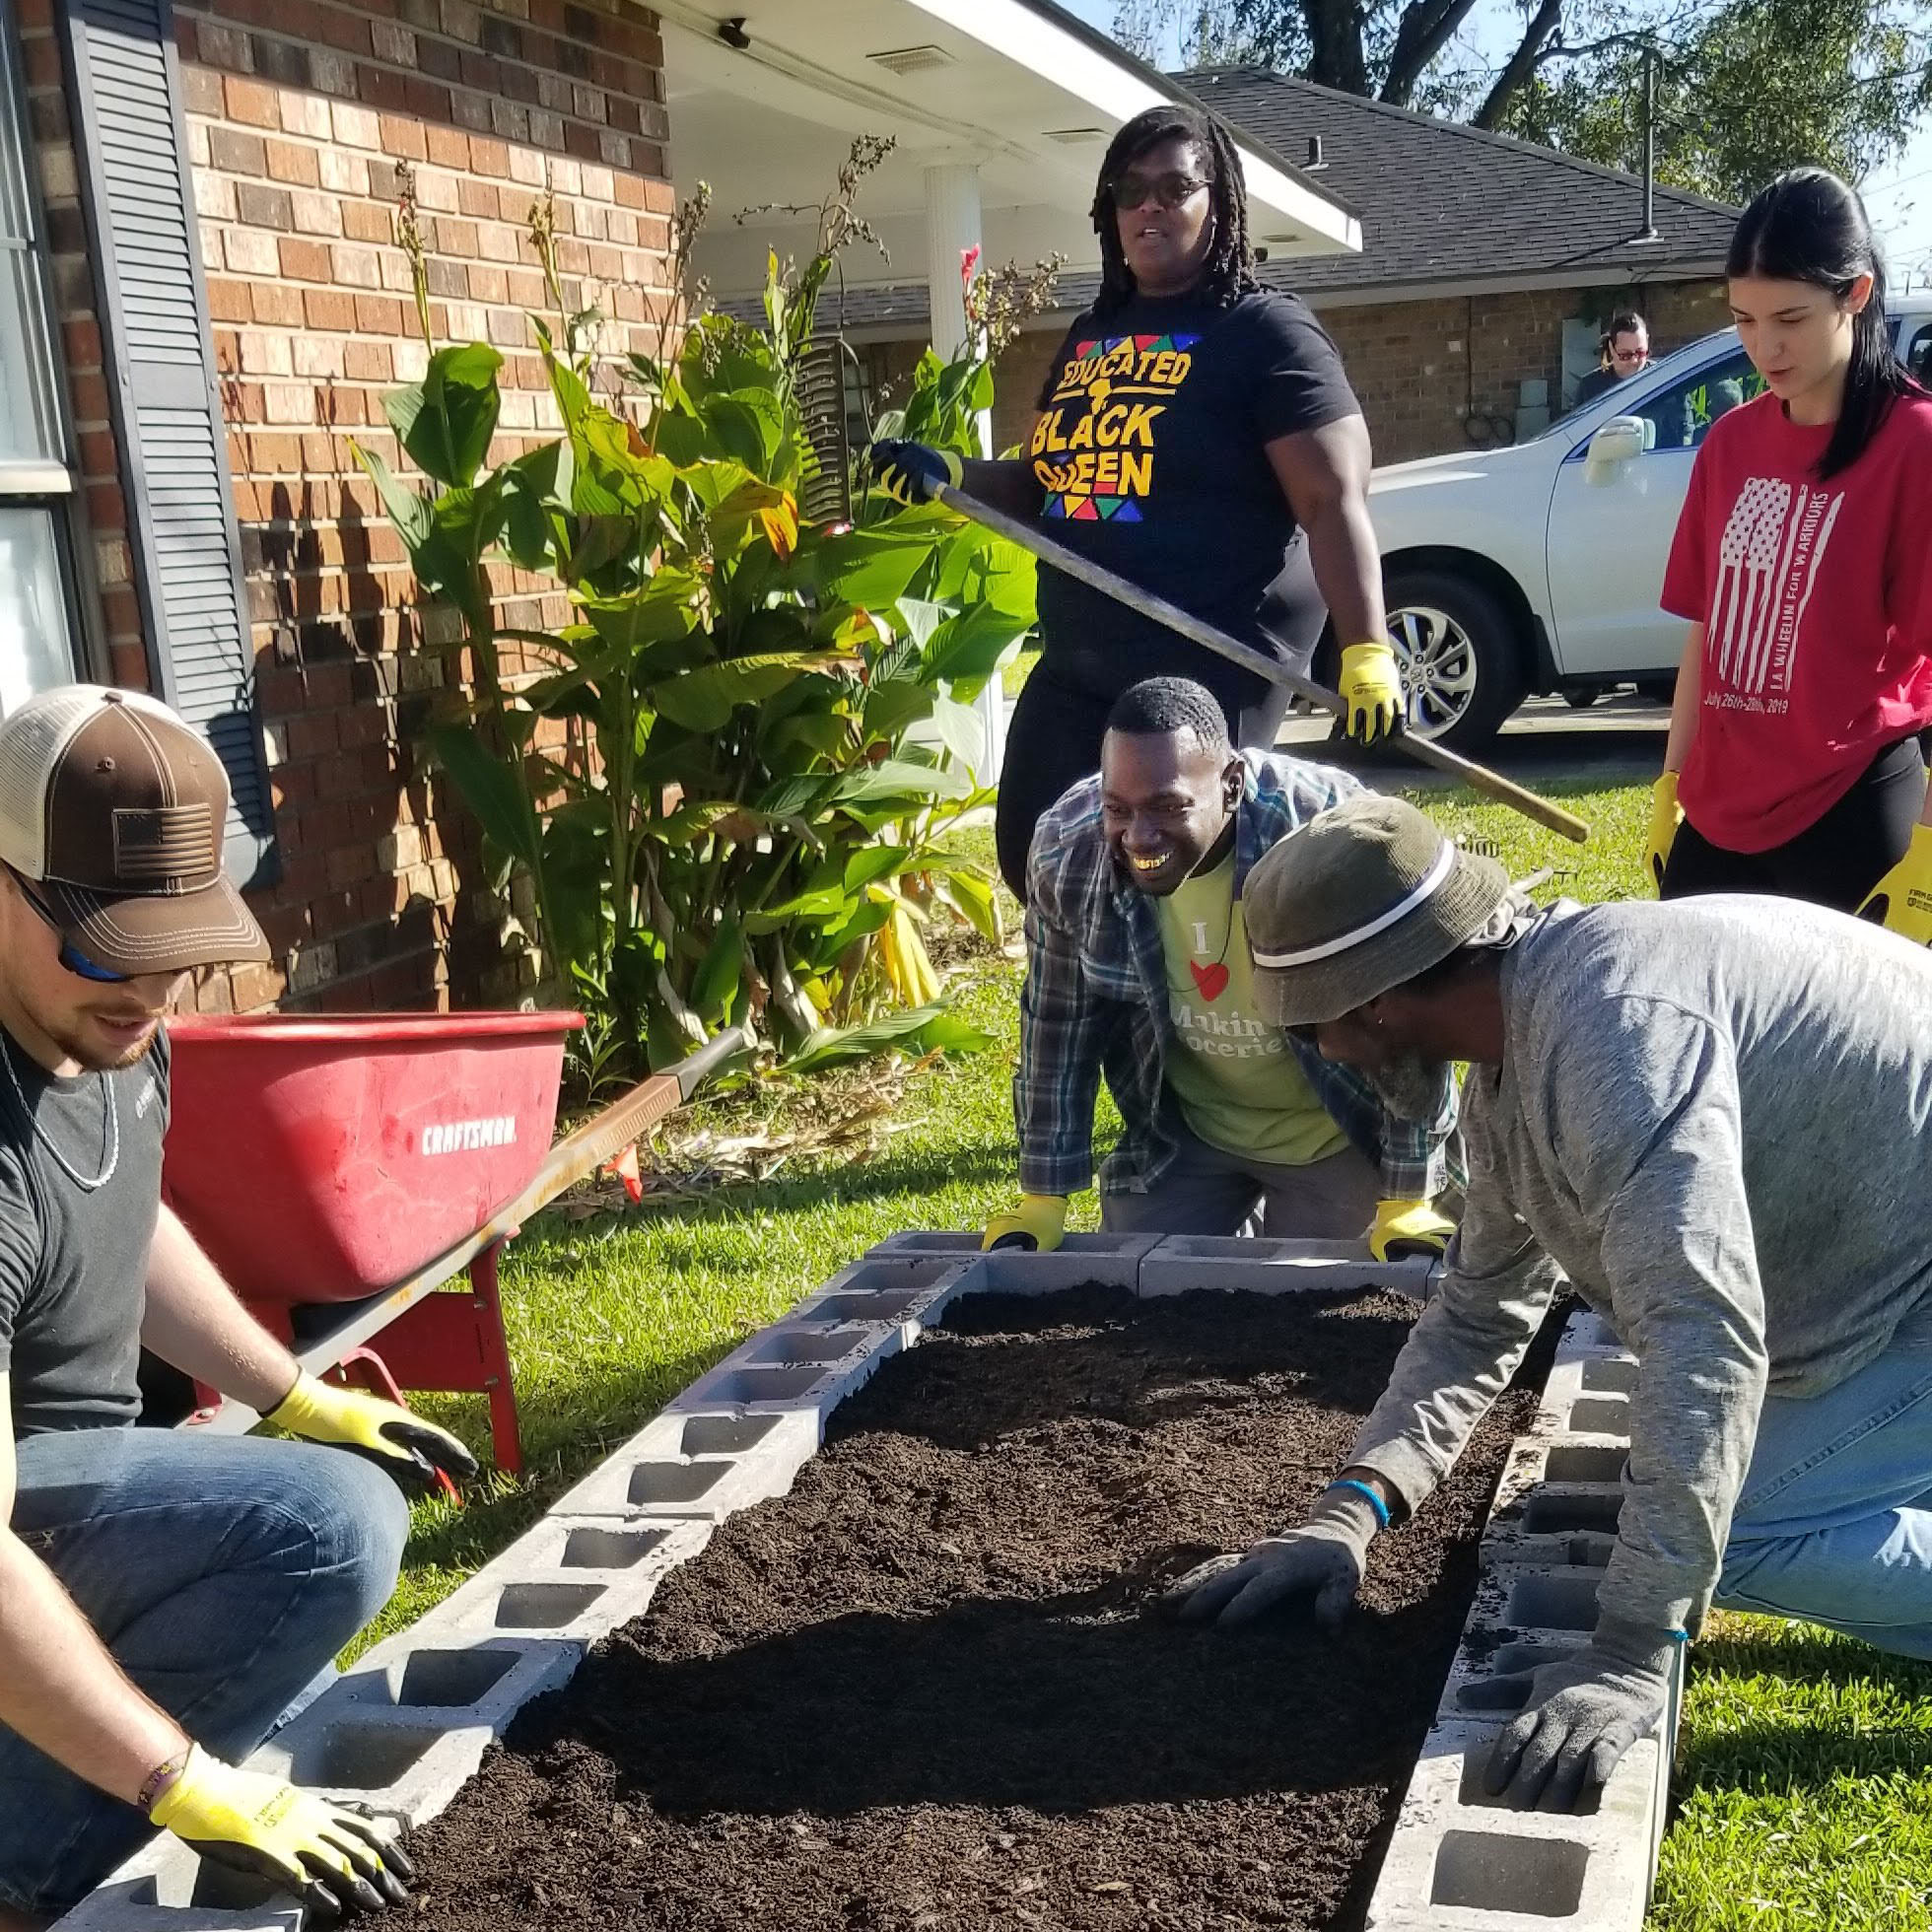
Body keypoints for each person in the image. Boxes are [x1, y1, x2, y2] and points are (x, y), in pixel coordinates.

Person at [1169, 794, 1932, 1816]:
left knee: (1737, 1530)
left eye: (1312, 1027)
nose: (1324, 1053)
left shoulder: (1613, 1042)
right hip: (1889, 1251)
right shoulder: (1522, 1033)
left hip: (1912, 1280)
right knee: (1702, 1499)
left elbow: (1701, 1342)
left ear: (1376, 1004)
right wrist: (1346, 1515)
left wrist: (1628, 1653)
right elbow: (1480, 1312)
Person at [0, 686, 475, 1924]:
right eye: (110, 943)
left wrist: (293, 1389)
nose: (150, 990)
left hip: (48, 1485)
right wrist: (188, 1784)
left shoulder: (105, 1021)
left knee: (321, 1488)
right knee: (318, 1526)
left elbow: (121, 1219)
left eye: (178, 949)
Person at [869, 102, 1406, 901]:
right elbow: (1054, 487)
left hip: (1208, 659)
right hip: (1081, 657)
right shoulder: (1095, 335)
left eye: (1174, 187)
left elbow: (1330, 500)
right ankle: (1088, 1017)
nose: (1149, 205)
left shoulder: (1267, 332)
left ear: (1216, 203)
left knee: (1170, 877)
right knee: (1038, 859)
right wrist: (951, 471)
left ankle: (1194, 1018)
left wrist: (1366, 646)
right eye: (1130, 190)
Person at [981, 678, 1457, 1258]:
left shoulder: (1330, 835)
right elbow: (1056, 1024)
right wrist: (1043, 1197)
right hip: (1185, 1136)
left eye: (1166, 806)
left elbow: (1405, 1025)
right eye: (1118, 808)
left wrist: (1406, 1196)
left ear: (1230, 785)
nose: (1138, 836)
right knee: (1141, 1300)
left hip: (1338, 1131)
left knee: (1322, 1306)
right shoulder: (1069, 847)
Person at [1646, 170, 1932, 929]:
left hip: (1851, 811)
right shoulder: (1731, 443)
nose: (1763, 346)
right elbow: (1706, 632)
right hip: (1717, 817)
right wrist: (1671, 783)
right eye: (1743, 319)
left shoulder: (1915, 444)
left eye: (1791, 318)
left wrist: (1930, 858)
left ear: (1856, 295)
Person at [1573, 310, 1650, 407]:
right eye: (1625, 355)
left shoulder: (1662, 378)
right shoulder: (1590, 387)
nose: (1634, 360)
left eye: (1640, 352)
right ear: (1611, 348)